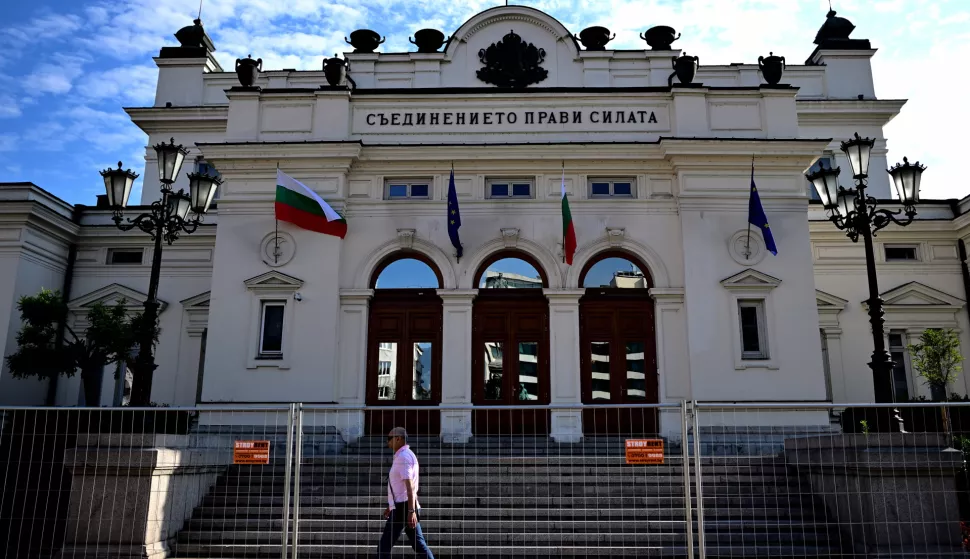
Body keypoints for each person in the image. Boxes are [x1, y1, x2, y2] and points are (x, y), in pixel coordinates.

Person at [377, 427, 434, 558]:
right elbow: (400, 486)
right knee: (419, 545)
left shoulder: (403, 457)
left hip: (404, 508)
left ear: (398, 438)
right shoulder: (406, 455)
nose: (387, 442)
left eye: (389, 438)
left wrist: (411, 511)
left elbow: (410, 486)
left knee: (384, 547)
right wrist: (391, 505)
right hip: (403, 506)